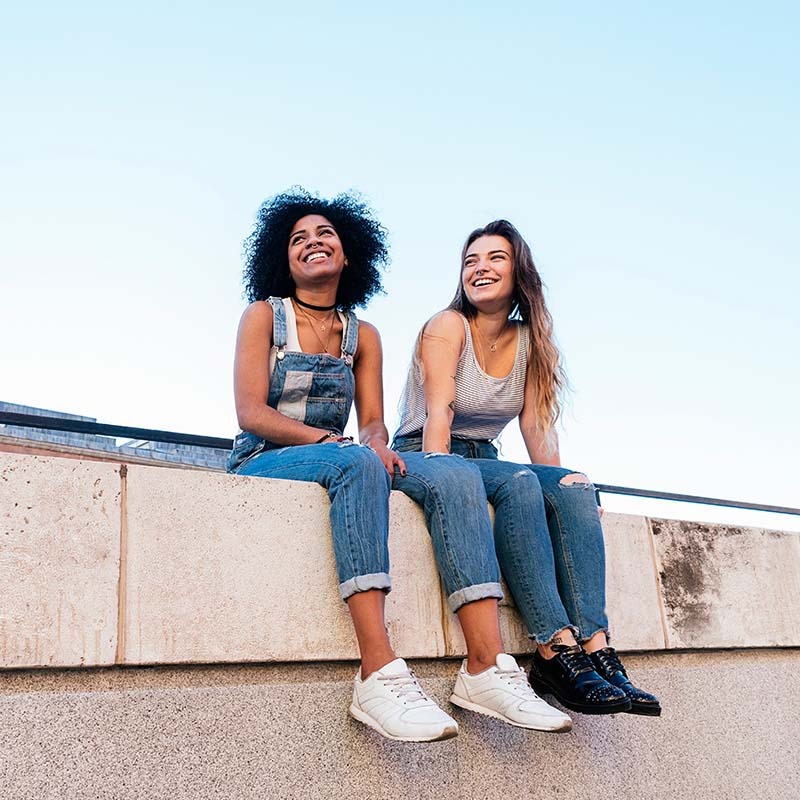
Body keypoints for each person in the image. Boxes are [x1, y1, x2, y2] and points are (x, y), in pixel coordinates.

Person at [392, 219, 661, 719]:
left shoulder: (529, 341)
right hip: (425, 451)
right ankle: (554, 650)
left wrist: (562, 490)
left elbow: (538, 430)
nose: (480, 268)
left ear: (519, 273)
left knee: (577, 487)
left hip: (485, 459)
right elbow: (439, 414)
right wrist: (444, 476)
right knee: (518, 484)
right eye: (471, 260)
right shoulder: (447, 325)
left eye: (494, 258)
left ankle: (596, 647)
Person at [227, 188, 459, 742]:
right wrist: (335, 442)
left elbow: (374, 421)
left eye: (325, 234)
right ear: (282, 260)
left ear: (348, 252)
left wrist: (376, 444)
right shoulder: (263, 317)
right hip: (263, 460)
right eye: (298, 239)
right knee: (354, 462)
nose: (313, 243)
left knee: (404, 468)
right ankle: (378, 671)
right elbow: (250, 412)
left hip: (334, 458)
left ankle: (453, 669)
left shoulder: (364, 334)